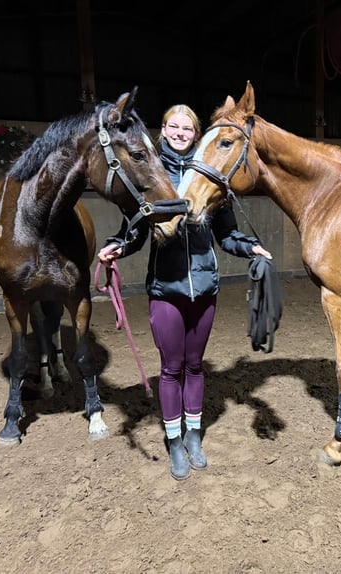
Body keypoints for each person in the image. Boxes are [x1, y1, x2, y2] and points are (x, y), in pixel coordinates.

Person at [98, 104, 272, 481]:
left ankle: (194, 436)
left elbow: (225, 233)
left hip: (205, 288)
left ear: (195, 134)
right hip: (166, 290)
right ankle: (174, 441)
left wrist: (250, 248)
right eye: (173, 127)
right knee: (171, 369)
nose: (180, 133)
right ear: (163, 130)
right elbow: (135, 229)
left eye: (187, 128)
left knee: (195, 367)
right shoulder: (152, 176)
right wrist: (117, 246)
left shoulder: (210, 176)